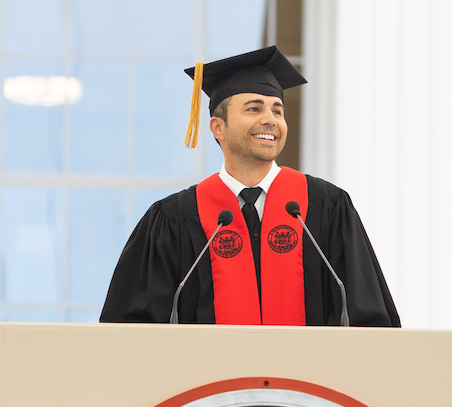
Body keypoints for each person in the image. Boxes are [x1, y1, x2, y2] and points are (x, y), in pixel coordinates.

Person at [100, 46, 400, 327]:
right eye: (254, 109)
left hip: (305, 380)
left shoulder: (327, 206)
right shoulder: (174, 219)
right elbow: (131, 331)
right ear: (218, 128)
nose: (270, 120)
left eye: (277, 111)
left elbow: (368, 319)